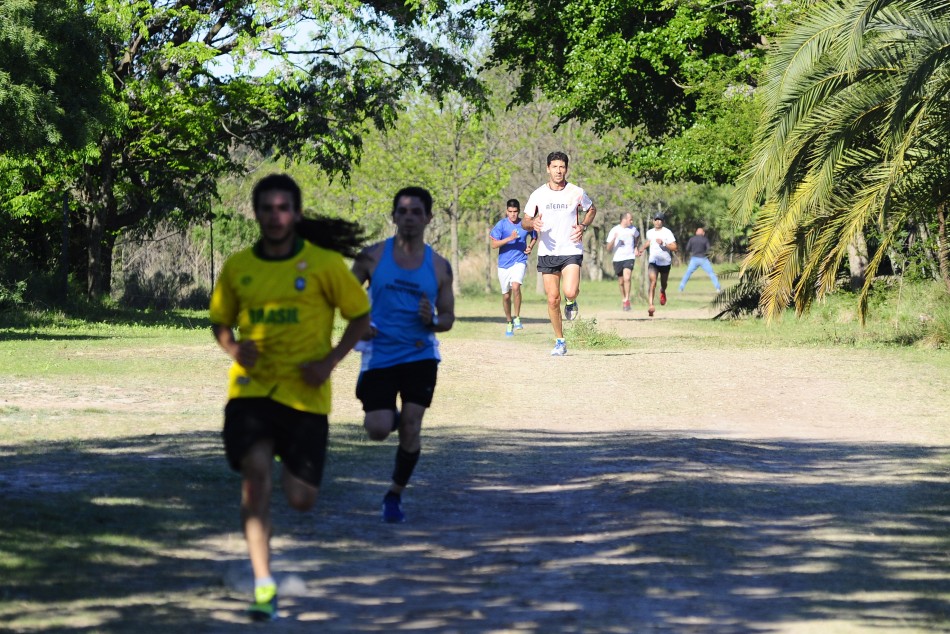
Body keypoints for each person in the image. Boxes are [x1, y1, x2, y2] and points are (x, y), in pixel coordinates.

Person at [210, 174, 371, 621]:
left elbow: (359, 316)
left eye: (283, 208)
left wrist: (330, 363)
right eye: (267, 208)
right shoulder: (239, 266)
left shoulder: (323, 265)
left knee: (301, 499)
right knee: (255, 477)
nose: (275, 216)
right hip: (252, 390)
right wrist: (233, 347)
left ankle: (282, 460)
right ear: (257, 213)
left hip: (306, 396)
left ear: (296, 214)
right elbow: (221, 321)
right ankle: (264, 583)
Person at [351, 186, 455, 523]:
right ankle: (390, 417)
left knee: (412, 426)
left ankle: (394, 495)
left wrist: (433, 321)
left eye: (416, 212)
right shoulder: (371, 257)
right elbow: (345, 299)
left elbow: (448, 319)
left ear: (428, 218)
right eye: (403, 211)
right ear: (393, 216)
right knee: (378, 429)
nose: (409, 217)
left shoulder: (439, 266)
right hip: (379, 354)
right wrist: (360, 322)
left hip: (420, 355)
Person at [522, 151, 597, 356]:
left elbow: (591, 209)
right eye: (554, 166)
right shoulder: (538, 194)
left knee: (570, 291)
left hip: (571, 248)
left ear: (566, 169)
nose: (558, 170)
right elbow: (525, 220)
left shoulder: (576, 192)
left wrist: (583, 226)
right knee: (553, 299)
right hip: (547, 251)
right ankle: (560, 341)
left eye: (562, 167)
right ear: (548, 169)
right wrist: (532, 223)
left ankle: (571, 301)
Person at [489, 198, 537, 336]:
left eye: (515, 212)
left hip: (520, 260)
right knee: (505, 296)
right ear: (506, 211)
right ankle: (509, 321)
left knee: (516, 286)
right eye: (510, 212)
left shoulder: (524, 224)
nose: (513, 214)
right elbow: (493, 245)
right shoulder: (501, 225)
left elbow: (534, 236)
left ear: (519, 211)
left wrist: (530, 247)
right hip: (504, 264)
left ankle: (517, 318)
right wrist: (509, 239)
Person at [637, 212, 677, 317]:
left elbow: (674, 247)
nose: (657, 221)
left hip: (665, 262)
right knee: (653, 282)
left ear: (663, 221)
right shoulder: (649, 232)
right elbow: (649, 241)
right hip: (653, 261)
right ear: (653, 221)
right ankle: (651, 305)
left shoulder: (667, 232)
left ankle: (662, 291)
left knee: (664, 283)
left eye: (660, 220)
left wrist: (663, 243)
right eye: (656, 219)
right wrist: (642, 249)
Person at [605, 212, 641, 311]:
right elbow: (608, 248)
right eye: (630, 219)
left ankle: (627, 300)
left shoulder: (633, 229)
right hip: (617, 258)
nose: (632, 221)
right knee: (621, 281)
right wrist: (614, 239)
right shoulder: (614, 230)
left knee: (627, 278)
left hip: (629, 257)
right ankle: (624, 299)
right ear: (624, 219)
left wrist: (636, 247)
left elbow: (638, 236)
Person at [679, 227, 721, 293]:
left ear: (696, 232)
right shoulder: (705, 239)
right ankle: (718, 288)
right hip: (703, 259)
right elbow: (708, 249)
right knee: (711, 273)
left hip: (694, 259)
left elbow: (687, 248)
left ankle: (681, 287)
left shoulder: (692, 239)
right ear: (703, 233)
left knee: (688, 273)